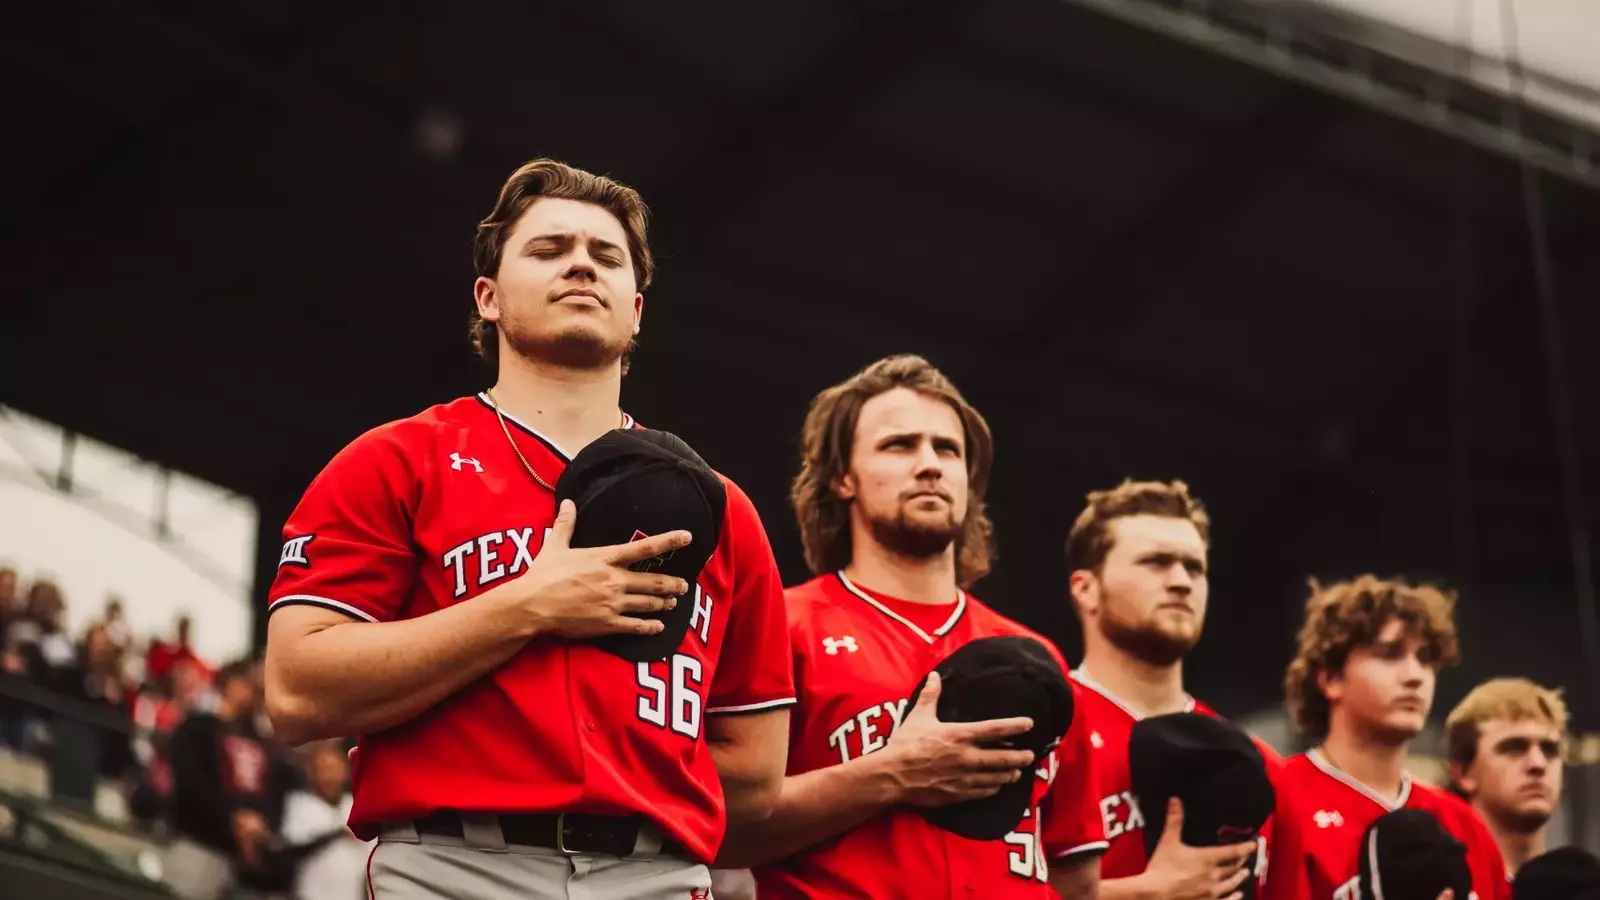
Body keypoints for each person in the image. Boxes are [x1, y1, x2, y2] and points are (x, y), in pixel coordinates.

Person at [262, 158, 795, 900]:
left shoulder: (723, 508)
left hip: (657, 875)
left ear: (636, 309)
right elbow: (296, 692)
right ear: (488, 297)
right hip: (453, 867)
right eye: (548, 250)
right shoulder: (395, 459)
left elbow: (757, 773)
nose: (581, 263)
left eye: (606, 256)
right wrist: (528, 606)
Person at [720, 354, 1106, 899]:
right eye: (899, 445)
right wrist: (892, 773)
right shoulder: (784, 625)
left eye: (947, 449)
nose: (930, 465)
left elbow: (1076, 875)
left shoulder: (1036, 657)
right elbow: (718, 831)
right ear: (842, 477)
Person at [1063, 478, 1306, 900]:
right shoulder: (1039, 733)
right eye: (1155, 562)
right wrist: (1145, 894)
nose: (1180, 581)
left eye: (1194, 567)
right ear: (1086, 589)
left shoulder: (1261, 767)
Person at [1277, 575, 1510, 900]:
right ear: (1331, 678)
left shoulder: (1465, 826)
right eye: (1390, 654)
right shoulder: (1277, 799)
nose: (1415, 676)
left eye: (1426, 659)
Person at [163, 659, 284, 900]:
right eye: (246, 684)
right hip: (198, 845)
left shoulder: (260, 742)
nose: (249, 694)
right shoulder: (198, 727)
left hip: (238, 859)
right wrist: (232, 819)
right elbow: (190, 782)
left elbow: (270, 791)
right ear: (230, 682)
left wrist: (259, 824)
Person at [1444, 677, 1569, 876]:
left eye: (1550, 750)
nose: (1538, 764)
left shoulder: (1580, 889)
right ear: (1464, 773)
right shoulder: (1434, 884)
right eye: (1515, 748)